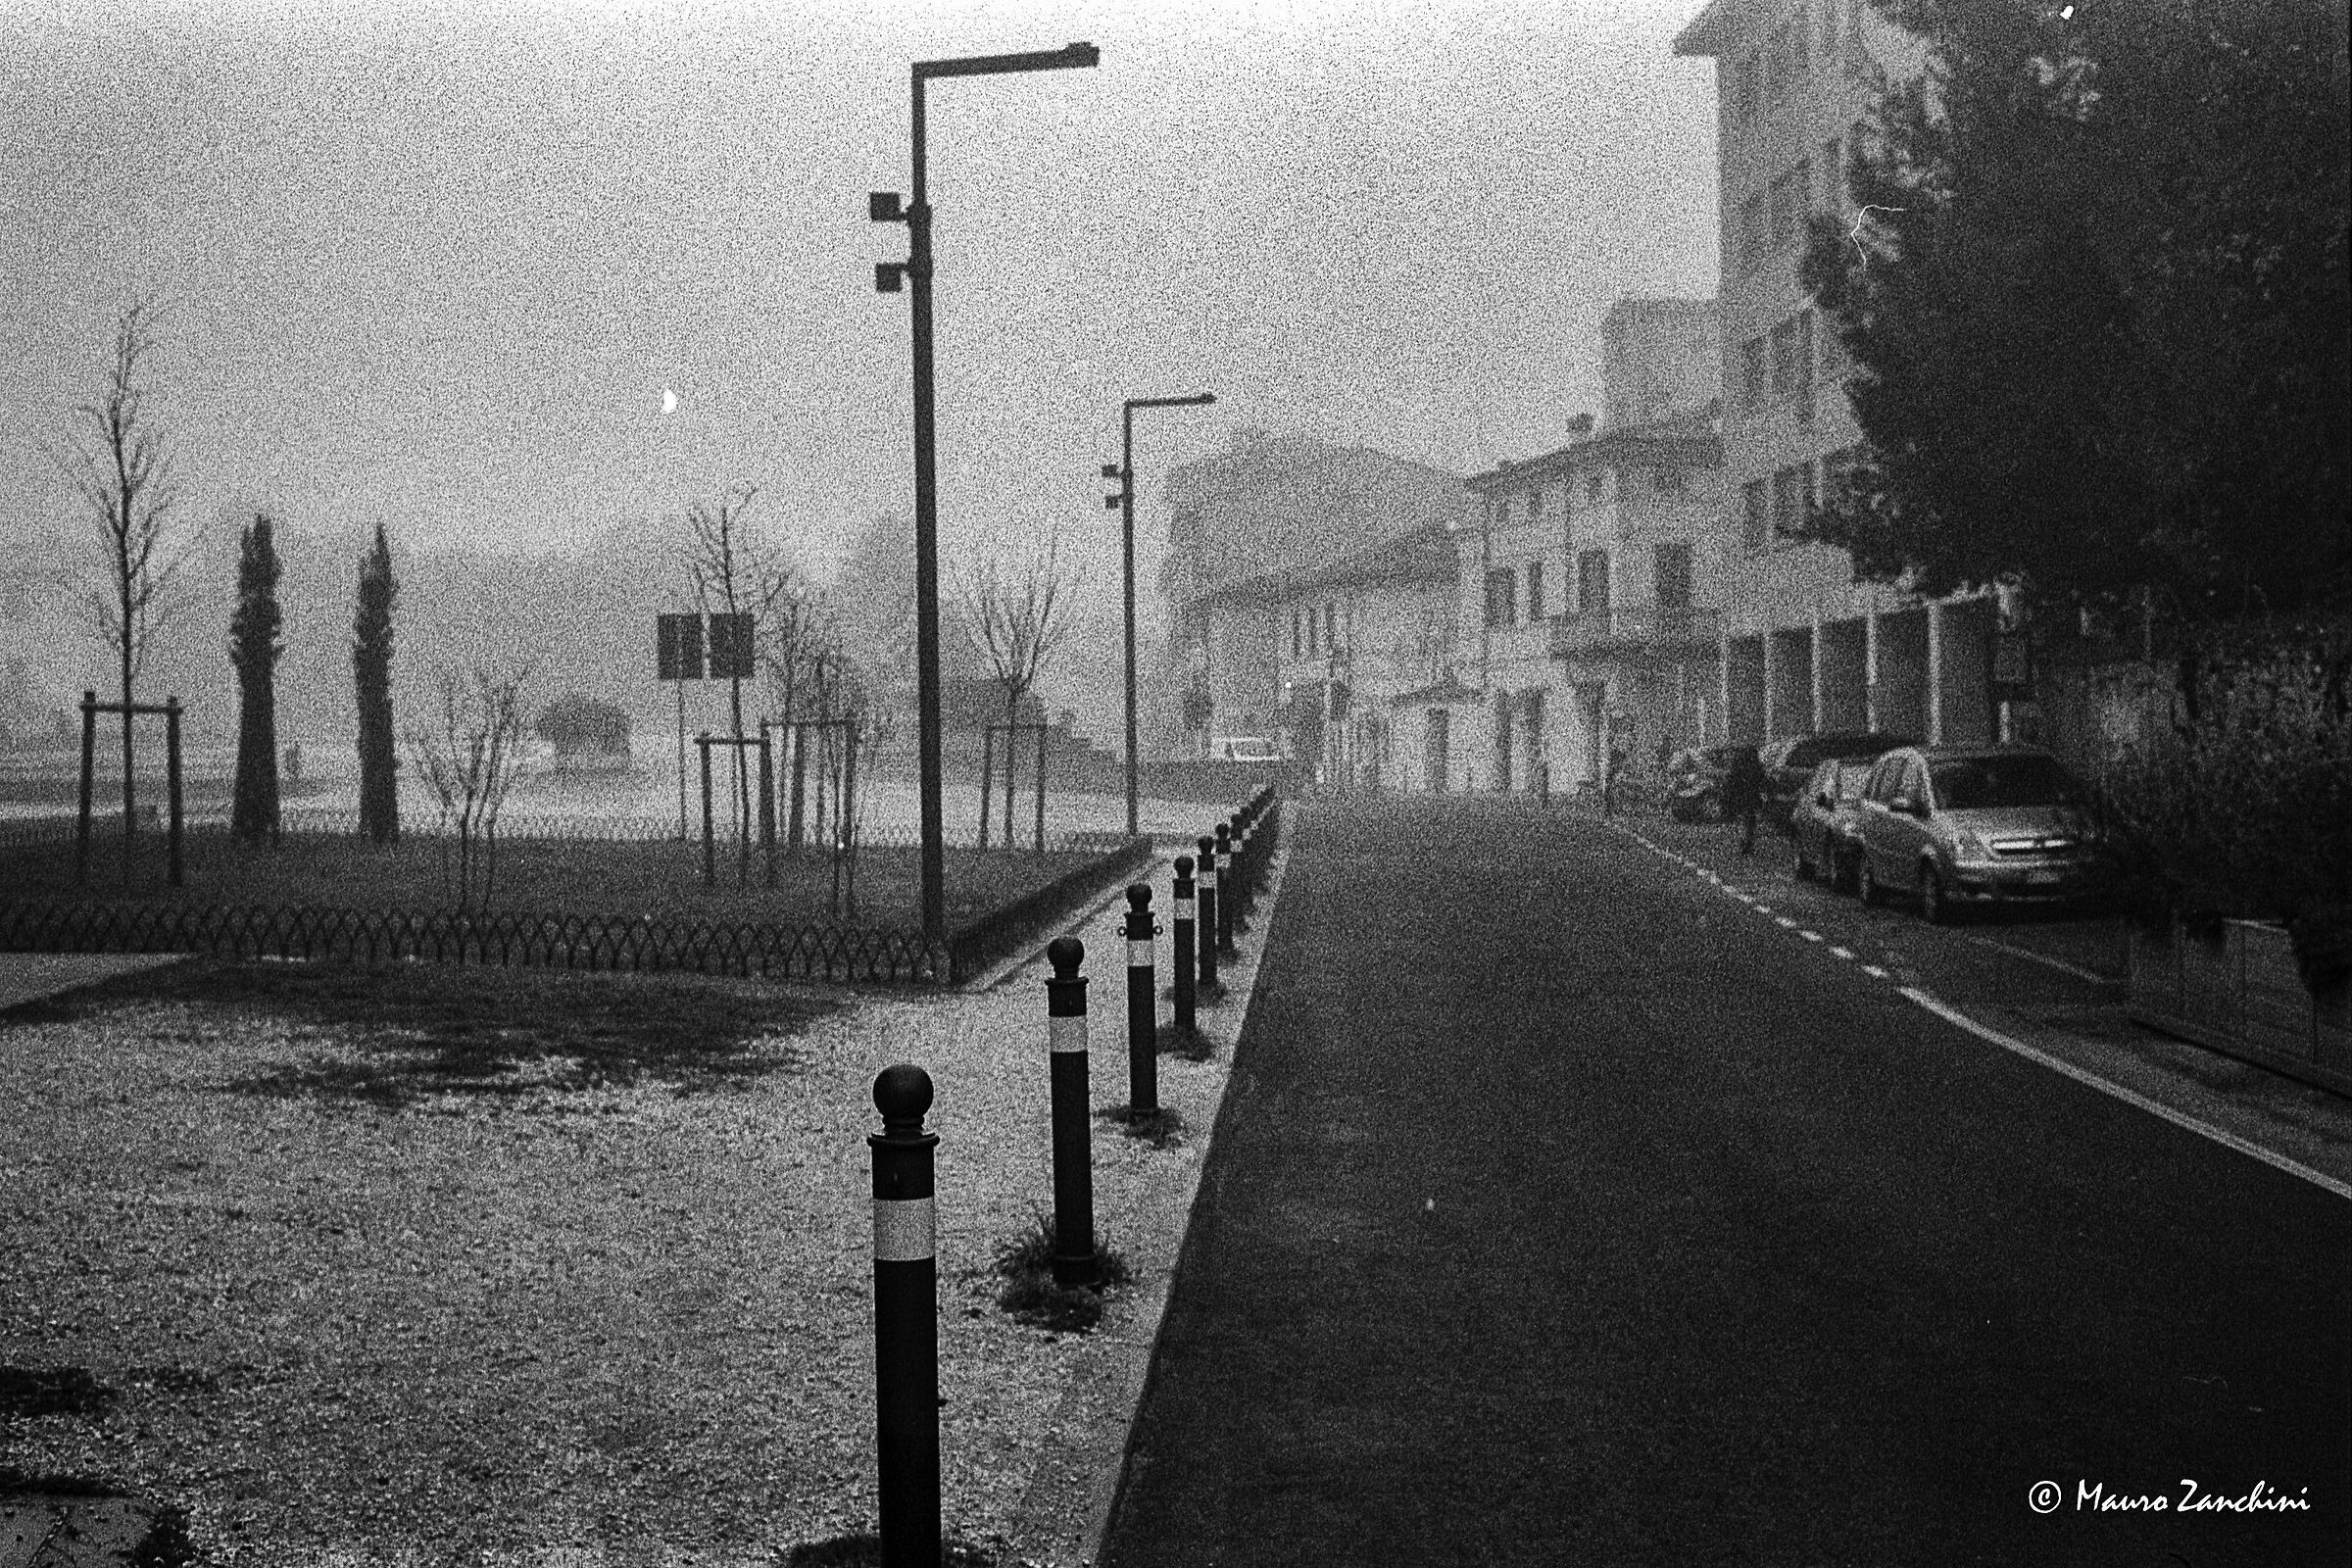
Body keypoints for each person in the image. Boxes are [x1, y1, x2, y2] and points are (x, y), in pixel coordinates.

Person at [1723, 744, 1767, 855]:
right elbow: (1761, 778)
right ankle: (1749, 841)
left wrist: (1731, 792)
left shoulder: (1738, 765)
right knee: (1750, 820)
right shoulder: (1756, 766)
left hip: (1742, 795)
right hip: (1752, 795)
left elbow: (1731, 779)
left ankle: (1746, 841)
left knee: (1744, 818)